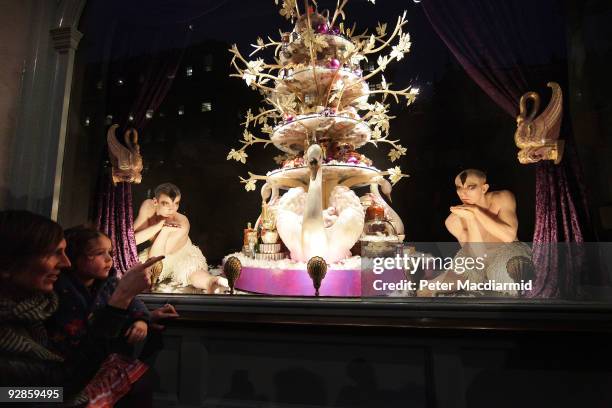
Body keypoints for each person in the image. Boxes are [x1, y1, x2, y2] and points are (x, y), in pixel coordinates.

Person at [0, 210, 163, 405]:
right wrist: (120, 300)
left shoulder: (36, 309)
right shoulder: (12, 329)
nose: (65, 263)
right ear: (8, 264)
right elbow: (45, 390)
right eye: (54, 253)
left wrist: (144, 316)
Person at [418, 169, 533, 297]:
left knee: (511, 278)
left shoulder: (502, 198)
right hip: (476, 257)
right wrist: (471, 219)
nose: (463, 193)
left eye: (470, 187)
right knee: (429, 289)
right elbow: (477, 257)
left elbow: (508, 236)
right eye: (459, 188)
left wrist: (476, 211)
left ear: (484, 189)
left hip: (508, 251)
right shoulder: (453, 221)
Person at [134, 182, 226, 293]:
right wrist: (158, 226)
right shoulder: (148, 206)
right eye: (166, 203)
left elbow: (157, 258)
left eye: (176, 203)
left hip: (181, 254)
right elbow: (131, 240)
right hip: (155, 251)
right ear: (155, 202)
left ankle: (212, 282)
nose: (172, 209)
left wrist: (165, 231)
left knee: (192, 271)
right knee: (136, 274)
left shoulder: (182, 222)